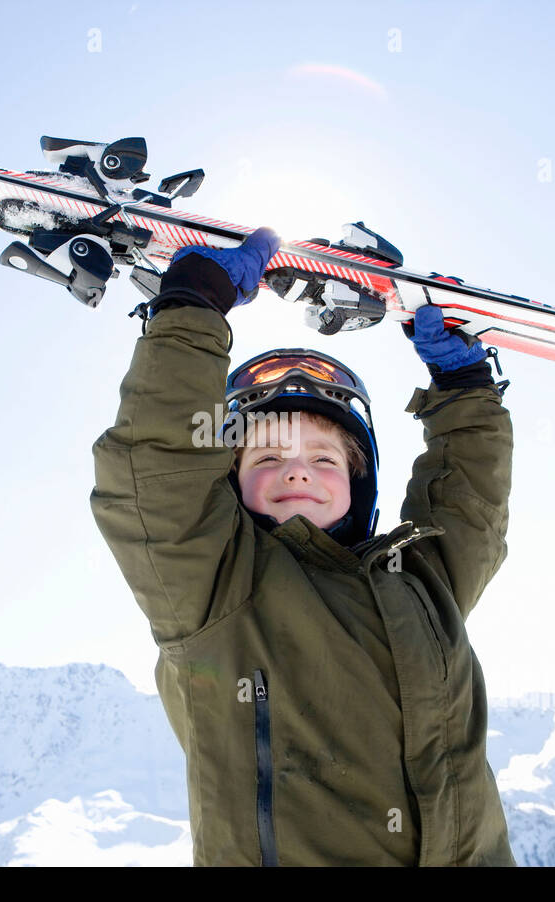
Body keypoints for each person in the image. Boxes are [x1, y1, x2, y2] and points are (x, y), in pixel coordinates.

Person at [90, 227, 516, 865]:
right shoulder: (212, 588)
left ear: (358, 481)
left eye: (324, 457)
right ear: (228, 482)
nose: (298, 471)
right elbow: (154, 472)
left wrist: (465, 391)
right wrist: (192, 311)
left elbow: (470, 504)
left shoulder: (421, 578)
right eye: (267, 456)